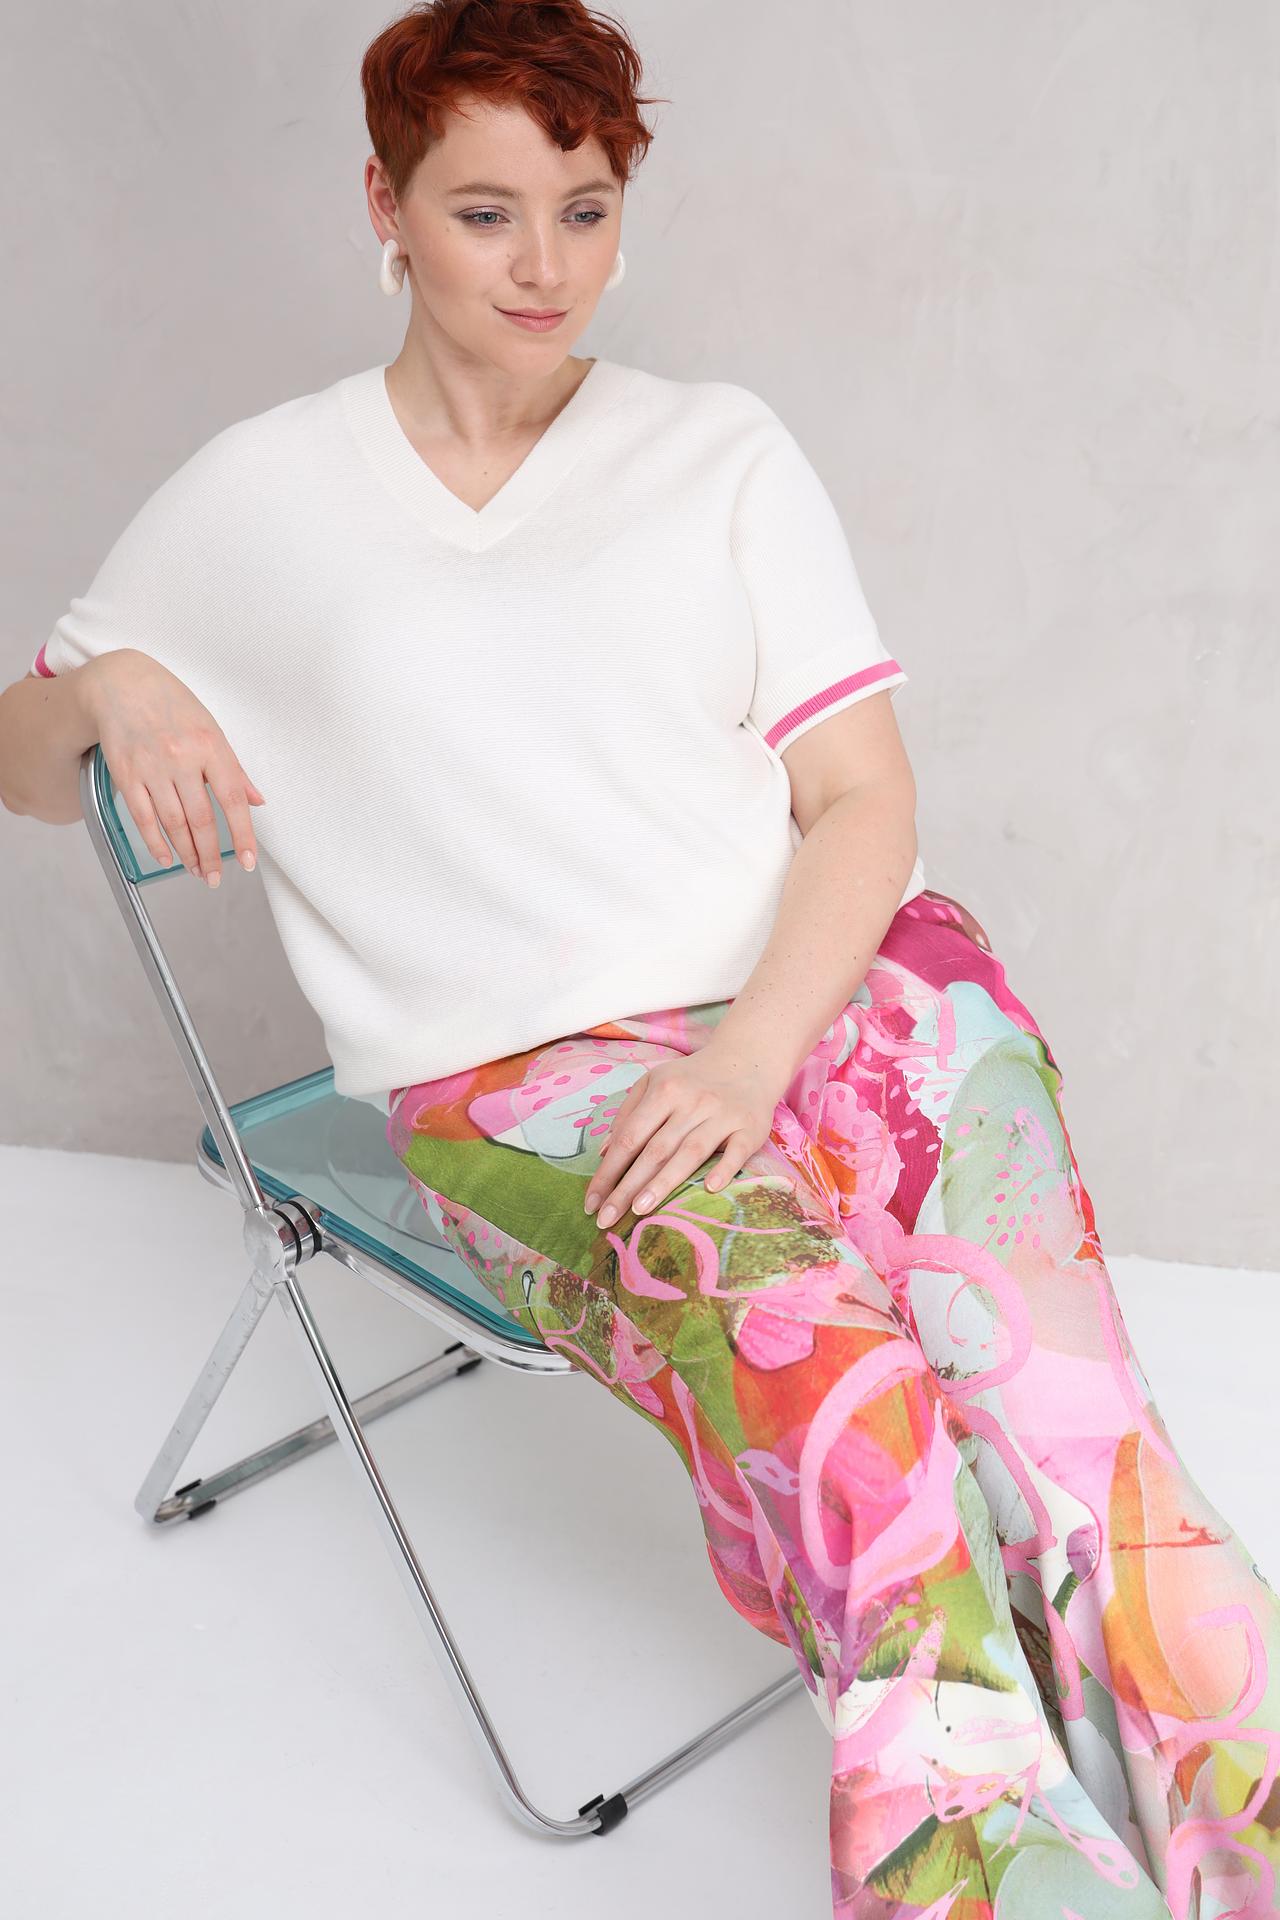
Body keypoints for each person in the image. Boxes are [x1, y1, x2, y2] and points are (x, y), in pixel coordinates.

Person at [3, 4, 1277, 1915]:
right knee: (848, 1410)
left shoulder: (718, 451)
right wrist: (107, 683)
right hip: (520, 1075)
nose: (544, 266)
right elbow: (22, 762)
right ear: (385, 206)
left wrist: (748, 1057)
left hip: (849, 985)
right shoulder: (258, 495)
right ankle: (1004, 1875)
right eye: (486, 212)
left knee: (1077, 1427)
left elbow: (862, 801)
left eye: (586, 210)